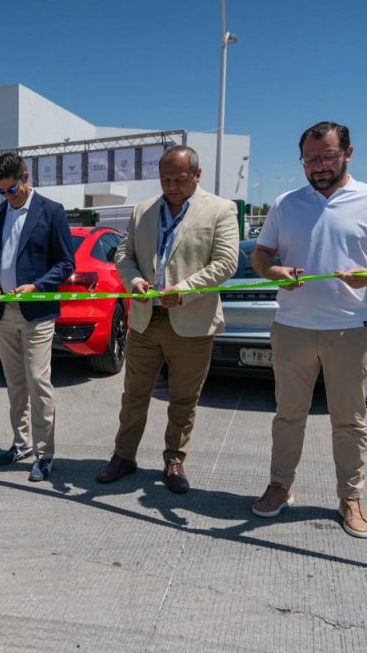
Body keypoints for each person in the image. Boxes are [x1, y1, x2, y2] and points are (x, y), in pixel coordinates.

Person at [250, 121, 367, 538]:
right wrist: (273, 270)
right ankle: (280, 486)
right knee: (288, 415)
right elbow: (261, 253)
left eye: (326, 156)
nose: (318, 166)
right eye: (309, 159)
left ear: (348, 153)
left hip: (350, 329)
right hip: (292, 328)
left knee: (349, 420)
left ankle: (351, 496)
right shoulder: (286, 203)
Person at [95, 146, 239, 493]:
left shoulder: (221, 210)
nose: (171, 186)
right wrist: (134, 282)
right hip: (145, 321)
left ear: (197, 175)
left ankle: (175, 460)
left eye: (179, 179)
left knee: (184, 398)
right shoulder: (143, 210)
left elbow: (225, 263)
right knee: (133, 395)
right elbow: (124, 254)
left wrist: (184, 290)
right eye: (165, 179)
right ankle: (124, 456)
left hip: (191, 322)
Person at [0, 152, 75, 482]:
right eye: (1, 191)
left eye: (11, 189)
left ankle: (44, 452)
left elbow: (66, 264)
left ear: (26, 176)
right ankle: (20, 443)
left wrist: (37, 285)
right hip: (2, 312)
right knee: (15, 383)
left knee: (38, 381)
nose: (7, 196)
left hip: (36, 311)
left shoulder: (51, 212)